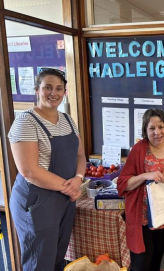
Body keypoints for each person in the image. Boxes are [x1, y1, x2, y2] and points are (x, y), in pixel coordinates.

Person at [8, 68, 86, 270]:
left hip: (65, 198)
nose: (54, 93)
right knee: (39, 261)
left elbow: (80, 155)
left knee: (58, 256)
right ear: (37, 89)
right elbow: (29, 171)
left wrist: (78, 178)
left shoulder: (68, 120)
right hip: (38, 201)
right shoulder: (25, 121)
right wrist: (69, 187)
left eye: (59, 88)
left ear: (64, 92)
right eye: (48, 87)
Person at [117, 108, 164, 271]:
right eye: (151, 128)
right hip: (143, 216)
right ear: (145, 131)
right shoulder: (139, 149)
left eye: (160, 127)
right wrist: (145, 176)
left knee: (156, 259)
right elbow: (123, 184)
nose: (157, 132)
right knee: (142, 264)